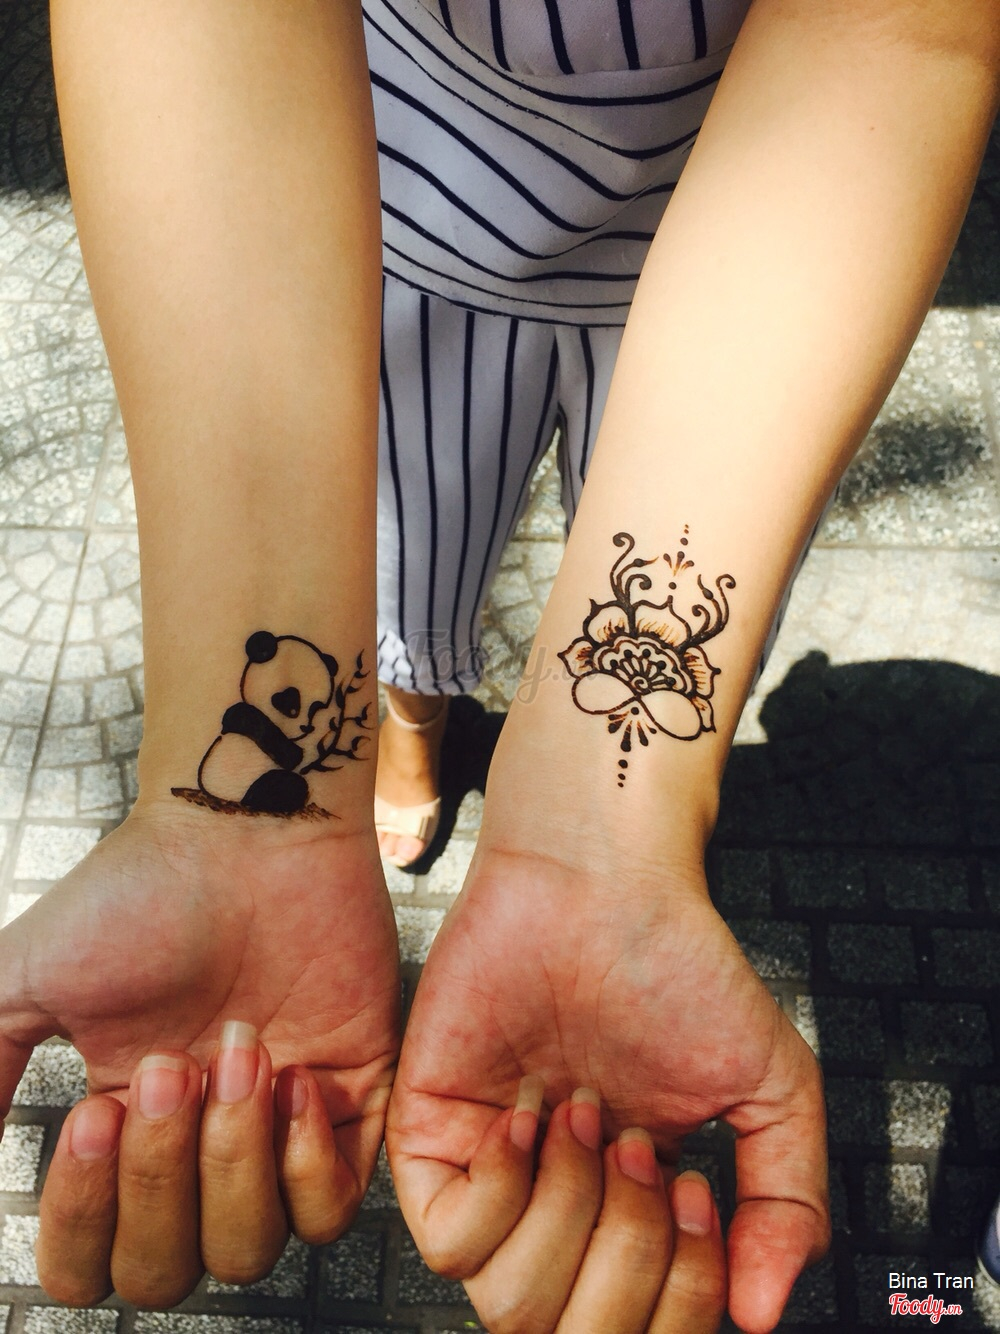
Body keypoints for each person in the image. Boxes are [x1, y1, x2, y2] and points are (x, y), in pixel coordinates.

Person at [0, 1, 997, 1330]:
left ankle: (503, 759)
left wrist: (608, 828)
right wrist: (237, 811)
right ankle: (404, 727)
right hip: (376, 185)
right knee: (405, 567)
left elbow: (886, 32)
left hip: (758, 250)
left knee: (641, 641)